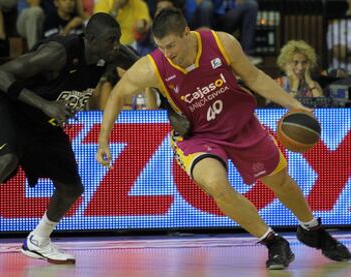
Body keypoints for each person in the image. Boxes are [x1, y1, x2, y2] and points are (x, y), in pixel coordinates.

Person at [96, 8, 351, 270]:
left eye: (171, 45)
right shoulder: (153, 66)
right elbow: (117, 94)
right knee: (216, 184)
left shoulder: (221, 42)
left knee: (280, 181)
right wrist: (104, 139)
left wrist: (294, 105)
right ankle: (273, 242)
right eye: (161, 47)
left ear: (187, 33)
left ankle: (312, 229)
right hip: (197, 136)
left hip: (240, 124)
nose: (167, 52)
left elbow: (254, 77)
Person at [0, 12, 134, 273]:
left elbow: (154, 69)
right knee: (7, 159)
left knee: (71, 188)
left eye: (118, 40)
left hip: (39, 114)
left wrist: (174, 107)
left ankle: (38, 239)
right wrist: (47, 105)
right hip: (3, 101)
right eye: (111, 40)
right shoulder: (58, 52)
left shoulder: (113, 54)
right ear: (90, 39)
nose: (116, 46)